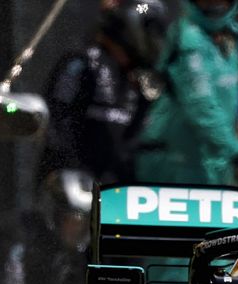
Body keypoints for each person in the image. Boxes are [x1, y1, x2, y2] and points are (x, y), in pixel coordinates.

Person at [135, 0, 238, 189]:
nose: (213, 3)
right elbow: (200, 105)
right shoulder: (188, 37)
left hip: (211, 162)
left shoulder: (233, 34)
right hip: (175, 162)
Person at [37, 0, 172, 188]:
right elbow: (56, 127)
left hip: (119, 198)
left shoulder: (142, 81)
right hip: (75, 194)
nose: (157, 42)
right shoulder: (81, 64)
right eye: (152, 31)